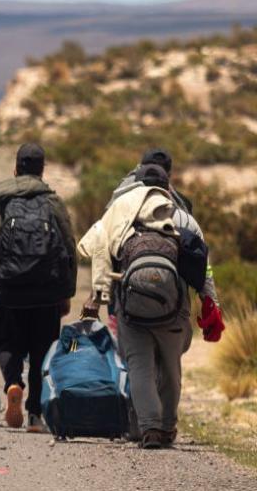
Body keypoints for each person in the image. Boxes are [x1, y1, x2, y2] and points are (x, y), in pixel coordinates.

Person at [79, 164, 224, 448]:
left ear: (138, 184)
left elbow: (99, 251)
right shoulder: (182, 216)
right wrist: (210, 301)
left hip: (131, 306)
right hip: (174, 306)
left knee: (139, 367)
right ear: (166, 186)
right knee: (171, 369)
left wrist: (98, 297)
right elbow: (202, 264)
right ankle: (168, 427)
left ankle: (150, 428)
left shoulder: (122, 212)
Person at [0, 143, 77, 433]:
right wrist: (66, 293)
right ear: (42, 169)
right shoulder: (52, 202)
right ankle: (35, 415)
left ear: (16, 168)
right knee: (42, 351)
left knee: (8, 344)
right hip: (46, 292)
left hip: (8, 288)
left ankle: (12, 384)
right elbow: (69, 247)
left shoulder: (0, 201)